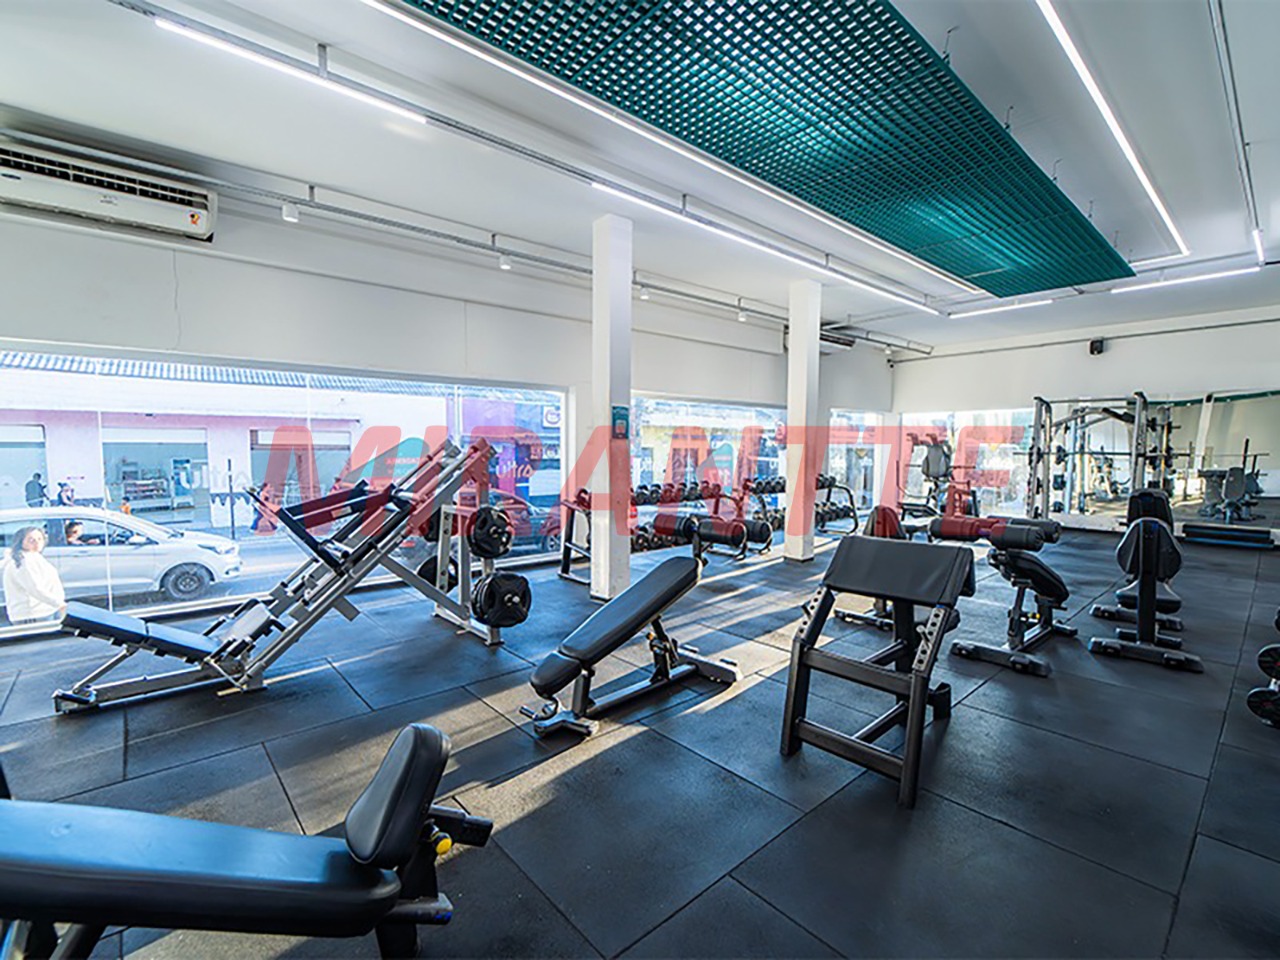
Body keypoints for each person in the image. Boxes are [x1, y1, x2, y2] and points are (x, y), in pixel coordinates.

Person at [2, 526, 66, 624]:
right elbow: (34, 588)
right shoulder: (23, 561)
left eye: (40, 539)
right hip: (33, 614)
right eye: (31, 540)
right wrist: (59, 604)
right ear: (20, 542)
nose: (37, 543)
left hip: (45, 610)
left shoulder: (34, 556)